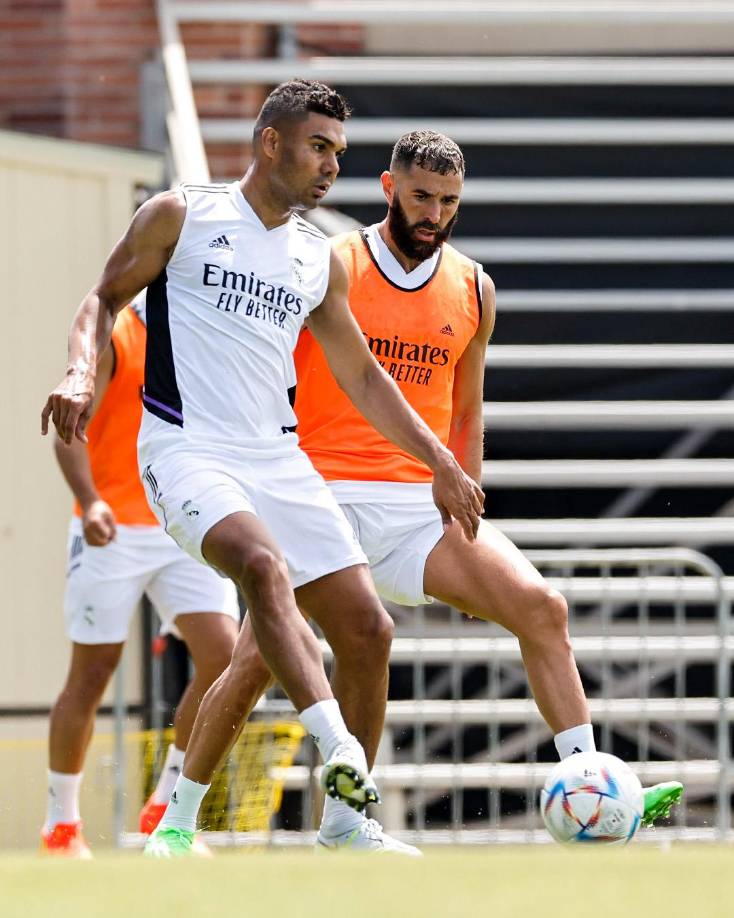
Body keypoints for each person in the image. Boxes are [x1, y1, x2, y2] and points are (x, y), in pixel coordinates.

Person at [164, 130, 683, 854]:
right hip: (320, 491)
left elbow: (467, 405)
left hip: (416, 507)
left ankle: (588, 783)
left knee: (542, 607)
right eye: (420, 197)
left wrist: (463, 486)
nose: (434, 212)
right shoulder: (328, 261)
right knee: (258, 660)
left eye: (448, 201)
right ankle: (179, 822)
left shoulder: (473, 286)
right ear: (387, 188)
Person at [41, 83, 483, 858]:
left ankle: (339, 826)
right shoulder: (183, 215)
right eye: (319, 148)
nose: (330, 168)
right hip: (186, 450)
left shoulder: (318, 257)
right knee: (259, 565)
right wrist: (81, 372)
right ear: (270, 143)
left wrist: (438, 457)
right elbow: (101, 298)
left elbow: (365, 379)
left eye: (340, 154)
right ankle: (340, 751)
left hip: (278, 458)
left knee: (368, 630)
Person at [41, 295, 241, 858]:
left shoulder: (211, 330)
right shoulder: (119, 334)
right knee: (92, 672)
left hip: (183, 518)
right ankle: (61, 827)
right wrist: (91, 501)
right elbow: (69, 432)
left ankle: (167, 808)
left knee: (225, 657)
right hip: (111, 524)